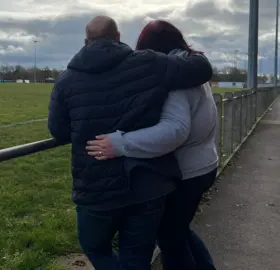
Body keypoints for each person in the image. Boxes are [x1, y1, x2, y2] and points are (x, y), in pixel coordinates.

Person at [48, 15, 213, 270]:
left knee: (96, 247)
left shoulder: (66, 79)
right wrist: (187, 53)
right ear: (118, 38)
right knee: (140, 256)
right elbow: (202, 69)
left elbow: (58, 131)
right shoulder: (150, 63)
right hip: (149, 183)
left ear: (85, 41)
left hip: (96, 186)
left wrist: (89, 132)